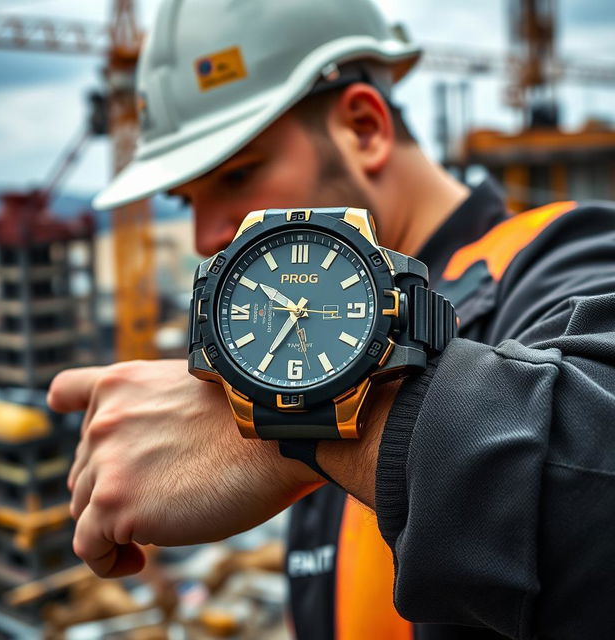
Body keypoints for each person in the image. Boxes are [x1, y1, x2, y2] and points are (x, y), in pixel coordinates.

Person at [47, 0, 615, 638]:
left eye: (238, 174)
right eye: (186, 201)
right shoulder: (298, 374)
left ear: (365, 129)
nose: (207, 235)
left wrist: (288, 429)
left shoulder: (570, 264)